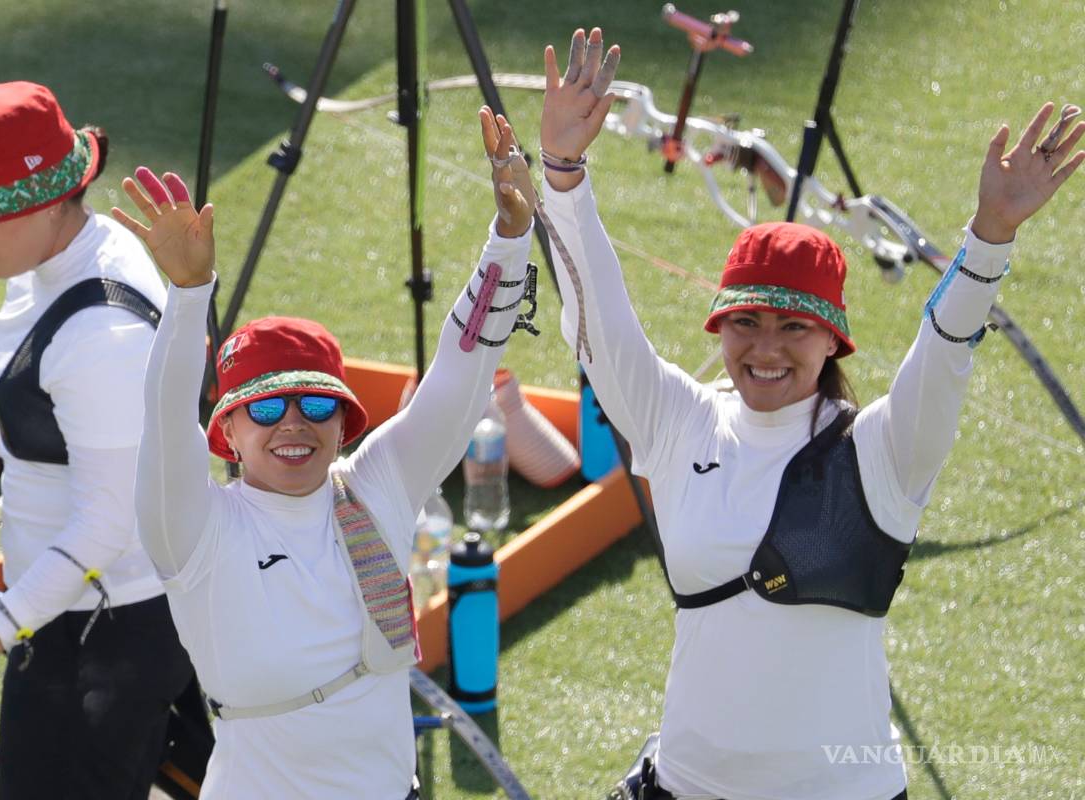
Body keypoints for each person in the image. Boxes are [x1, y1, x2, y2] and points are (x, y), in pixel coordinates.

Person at [537, 27, 1084, 800]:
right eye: (745, 322)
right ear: (720, 328)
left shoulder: (885, 452)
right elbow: (598, 318)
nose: (766, 347)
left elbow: (946, 347)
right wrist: (563, 175)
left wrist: (989, 238)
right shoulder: (679, 420)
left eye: (794, 326)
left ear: (833, 340)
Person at [111, 106, 535, 798]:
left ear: (344, 424)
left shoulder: (375, 487)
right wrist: (189, 295)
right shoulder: (192, 530)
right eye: (265, 407)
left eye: (316, 405)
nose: (293, 424)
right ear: (227, 432)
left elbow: (460, 375)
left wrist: (509, 241)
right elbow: (164, 421)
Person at [0, 81, 195, 798]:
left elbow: (104, 523)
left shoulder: (102, 331)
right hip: (69, 614)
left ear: (45, 202)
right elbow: (51, 400)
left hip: (105, 634)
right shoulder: (59, 257)